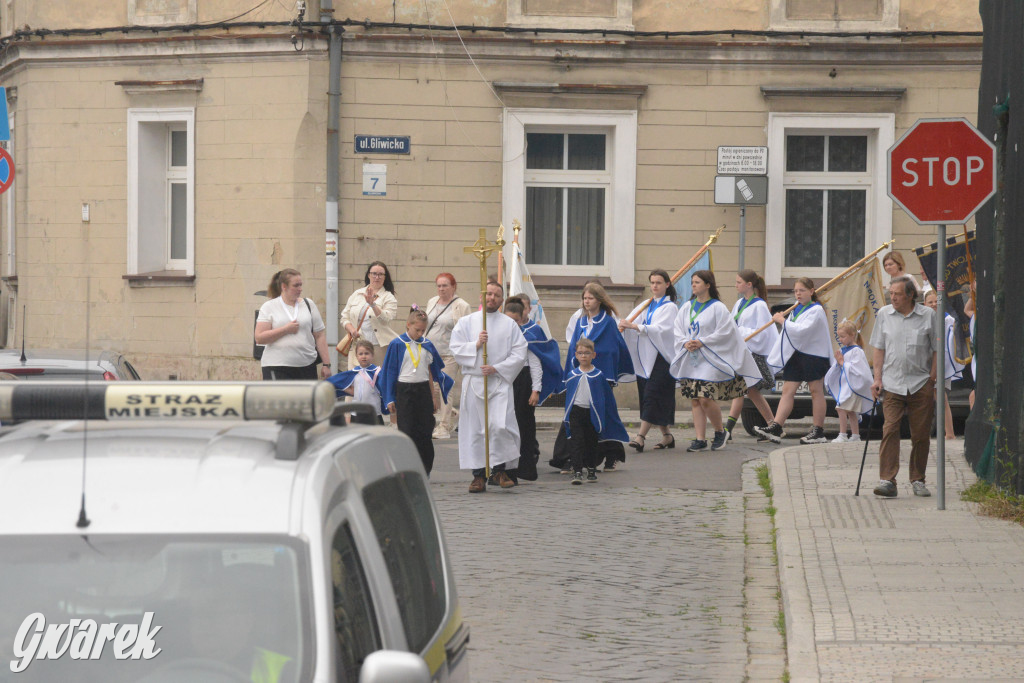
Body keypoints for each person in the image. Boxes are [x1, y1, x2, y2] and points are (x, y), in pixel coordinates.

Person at [670, 270, 762, 452]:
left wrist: (703, 341)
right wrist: (685, 342)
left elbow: (726, 331)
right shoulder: (687, 307)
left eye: (697, 282)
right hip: (692, 359)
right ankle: (700, 438)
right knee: (695, 399)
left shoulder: (717, 307)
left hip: (710, 358)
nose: (693, 285)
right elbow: (678, 329)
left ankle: (720, 431)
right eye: (692, 282)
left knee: (705, 398)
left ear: (708, 285)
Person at [450, 281, 528, 493]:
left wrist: (497, 368)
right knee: (475, 429)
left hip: (498, 382)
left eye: (496, 295)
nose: (492, 298)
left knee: (498, 426)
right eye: (489, 294)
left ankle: (499, 470)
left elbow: (520, 352)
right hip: (474, 381)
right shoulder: (467, 322)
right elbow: (455, 348)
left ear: (502, 300)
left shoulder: (509, 324)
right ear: (481, 297)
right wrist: (475, 345)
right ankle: (478, 475)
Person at [870, 275, 938, 498]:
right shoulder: (884, 315)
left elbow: (937, 348)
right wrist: (877, 379)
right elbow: (878, 348)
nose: (893, 297)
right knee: (889, 429)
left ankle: (918, 479)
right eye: (891, 294)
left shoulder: (928, 315)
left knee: (920, 435)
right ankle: (887, 480)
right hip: (892, 383)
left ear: (910, 295)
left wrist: (932, 378)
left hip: (920, 384)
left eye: (897, 294)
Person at [564, 282, 635, 470]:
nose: (586, 302)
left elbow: (612, 349)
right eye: (584, 298)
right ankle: (577, 457)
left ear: (599, 300)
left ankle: (611, 454)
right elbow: (574, 345)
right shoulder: (580, 320)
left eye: (590, 298)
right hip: (580, 375)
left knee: (604, 415)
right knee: (579, 417)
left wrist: (599, 366)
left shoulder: (608, 321)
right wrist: (574, 363)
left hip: (599, 376)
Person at [755, 277, 832, 445]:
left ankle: (818, 430)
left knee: (815, 390)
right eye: (796, 291)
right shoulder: (795, 309)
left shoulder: (816, 310)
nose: (798, 294)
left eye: (802, 291)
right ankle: (777, 426)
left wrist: (783, 321)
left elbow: (803, 331)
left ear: (811, 292)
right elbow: (789, 335)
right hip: (796, 355)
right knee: (787, 390)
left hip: (814, 355)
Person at [380, 309, 453, 476]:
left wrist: (433, 396)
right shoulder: (397, 344)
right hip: (404, 390)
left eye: (422, 330)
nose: (420, 334)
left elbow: (430, 371)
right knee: (407, 431)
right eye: (417, 330)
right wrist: (389, 398)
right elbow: (390, 373)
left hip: (422, 391)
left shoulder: (426, 345)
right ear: (408, 325)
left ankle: (424, 469)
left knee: (425, 431)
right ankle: (407, 469)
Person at [619, 269, 678, 452]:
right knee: (649, 395)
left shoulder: (670, 307)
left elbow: (660, 329)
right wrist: (623, 324)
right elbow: (631, 319)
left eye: (658, 282)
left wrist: (635, 326)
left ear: (667, 285)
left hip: (663, 357)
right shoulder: (647, 303)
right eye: (652, 282)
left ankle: (640, 437)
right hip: (646, 358)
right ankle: (667, 436)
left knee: (652, 395)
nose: (654, 286)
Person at [504, 299, 561, 482]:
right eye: (507, 320)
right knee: (505, 425)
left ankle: (525, 468)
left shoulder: (528, 335)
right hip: (506, 379)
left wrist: (536, 390)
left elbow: (536, 365)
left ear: (522, 318)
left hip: (524, 380)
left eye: (514, 320)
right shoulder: (502, 334)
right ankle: (504, 467)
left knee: (524, 426)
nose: (511, 324)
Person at [563, 338, 629, 484]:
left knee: (592, 442)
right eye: (580, 353)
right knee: (576, 442)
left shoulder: (598, 375)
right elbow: (569, 396)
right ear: (576, 355)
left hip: (592, 413)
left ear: (594, 355)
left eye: (587, 353)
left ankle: (591, 469)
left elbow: (605, 398)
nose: (583, 356)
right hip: (576, 412)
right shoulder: (572, 375)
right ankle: (578, 471)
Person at [726, 270, 779, 442]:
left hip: (753, 353)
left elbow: (762, 332)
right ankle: (772, 425)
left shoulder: (759, 305)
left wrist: (740, 331)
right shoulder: (739, 303)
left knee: (745, 390)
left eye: (739, 282)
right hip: (741, 351)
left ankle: (728, 429)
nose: (736, 285)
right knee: (748, 391)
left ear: (749, 285)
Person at [255, 269, 332, 380]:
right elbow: (259, 338)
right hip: (277, 366)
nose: (300, 289)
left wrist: (326, 364)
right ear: (284, 286)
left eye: (300, 285)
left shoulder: (308, 304)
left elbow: (319, 335)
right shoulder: (269, 306)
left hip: (306, 365)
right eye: (295, 286)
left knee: (306, 398)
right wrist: (285, 330)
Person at [425, 272, 473, 439]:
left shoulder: (462, 305)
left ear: (453, 286)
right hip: (431, 353)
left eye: (445, 285)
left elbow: (467, 330)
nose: (441, 289)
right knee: (433, 389)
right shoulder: (432, 301)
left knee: (446, 388)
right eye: (439, 285)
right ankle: (452, 413)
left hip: (450, 354)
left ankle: (444, 426)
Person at [340, 261, 398, 369]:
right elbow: (344, 317)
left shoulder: (388, 297)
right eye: (374, 274)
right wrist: (352, 330)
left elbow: (386, 319)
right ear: (368, 275)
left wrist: (373, 304)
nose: (377, 277)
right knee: (356, 378)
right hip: (358, 346)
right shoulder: (357, 294)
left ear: (385, 277)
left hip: (378, 347)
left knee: (377, 379)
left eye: (380, 274)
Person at [824, 320, 873, 442]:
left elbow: (859, 370)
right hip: (845, 386)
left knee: (841, 409)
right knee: (850, 411)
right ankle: (856, 436)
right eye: (839, 336)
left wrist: (841, 362)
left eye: (843, 336)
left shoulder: (857, 351)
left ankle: (843, 435)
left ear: (852, 335)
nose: (840, 339)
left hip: (852, 387)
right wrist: (838, 363)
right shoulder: (844, 349)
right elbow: (840, 367)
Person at [923, 289, 962, 439]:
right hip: (924, 363)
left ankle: (949, 433)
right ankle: (927, 432)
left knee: (940, 397)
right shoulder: (922, 319)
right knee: (926, 399)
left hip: (941, 363)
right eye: (930, 302)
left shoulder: (948, 320)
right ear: (924, 304)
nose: (933, 305)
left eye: (936, 302)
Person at [328, 339, 386, 423]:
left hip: (374, 412)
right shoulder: (353, 373)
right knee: (358, 434)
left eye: (367, 353)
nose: (364, 356)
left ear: (372, 355)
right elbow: (338, 381)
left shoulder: (378, 372)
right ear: (356, 356)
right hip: (356, 412)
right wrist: (341, 388)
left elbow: (386, 387)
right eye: (361, 354)